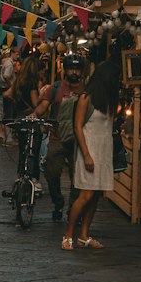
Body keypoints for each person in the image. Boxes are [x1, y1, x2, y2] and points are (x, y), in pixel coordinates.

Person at [64, 51, 122, 251]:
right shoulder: (85, 99)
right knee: (85, 196)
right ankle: (68, 235)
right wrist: (86, 154)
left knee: (96, 195)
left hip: (104, 150)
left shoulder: (109, 101)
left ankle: (84, 235)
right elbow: (77, 126)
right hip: (89, 150)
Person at [34, 51, 88, 222]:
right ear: (65, 69)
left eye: (77, 69)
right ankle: (58, 201)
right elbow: (43, 107)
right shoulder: (55, 88)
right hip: (57, 138)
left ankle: (73, 208)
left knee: (77, 177)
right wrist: (33, 116)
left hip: (79, 140)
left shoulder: (86, 90)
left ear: (81, 71)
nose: (74, 72)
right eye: (71, 68)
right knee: (51, 172)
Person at [3, 54, 41, 141]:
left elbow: (6, 94)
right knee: (33, 143)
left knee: (22, 144)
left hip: (19, 115)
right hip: (29, 116)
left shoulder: (18, 81)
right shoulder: (32, 83)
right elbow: (35, 103)